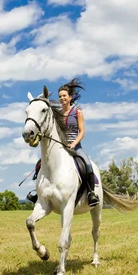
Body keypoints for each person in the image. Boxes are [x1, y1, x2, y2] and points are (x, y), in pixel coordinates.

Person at [27, 78, 99, 207]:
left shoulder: (77, 112)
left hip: (75, 146)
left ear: (70, 97)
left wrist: (73, 143)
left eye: (64, 96)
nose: (62, 98)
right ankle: (39, 193)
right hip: (59, 146)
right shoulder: (57, 113)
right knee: (40, 164)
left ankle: (91, 193)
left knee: (87, 164)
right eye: (60, 96)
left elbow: (82, 132)